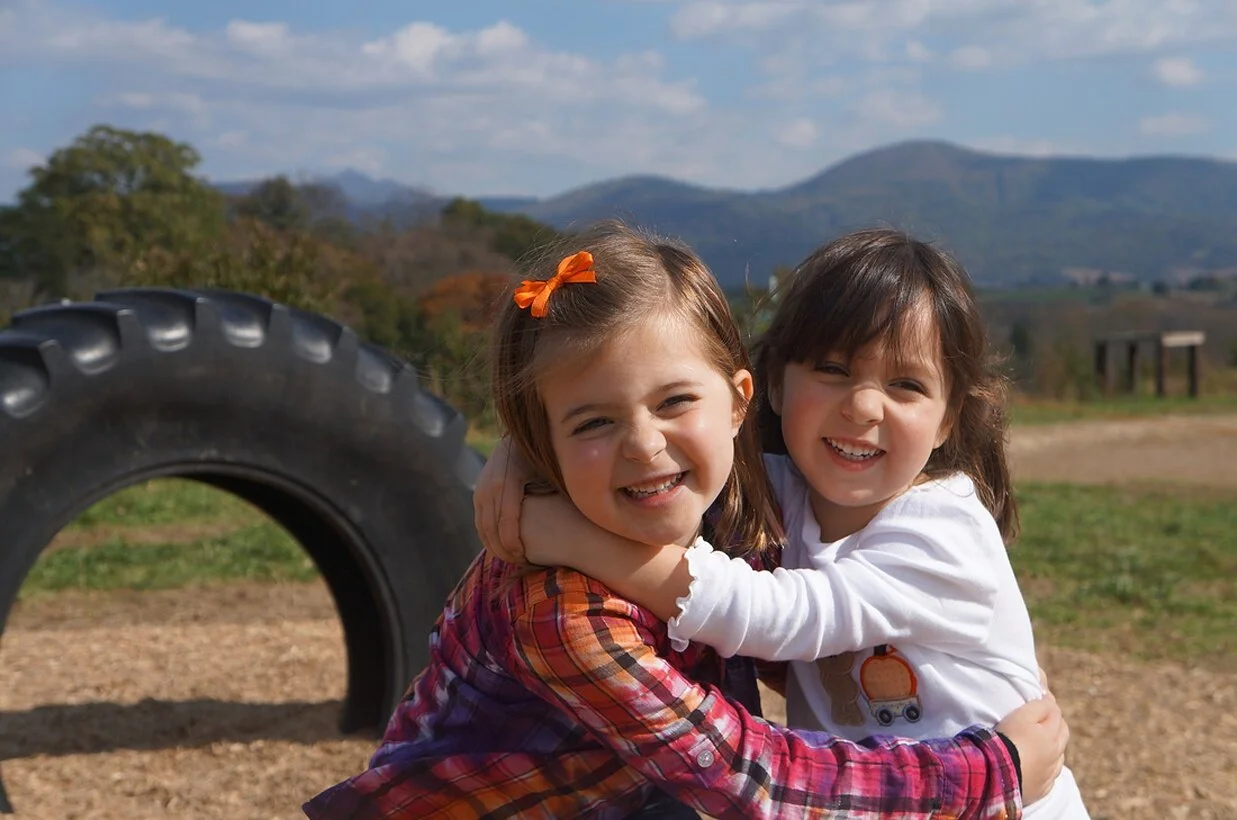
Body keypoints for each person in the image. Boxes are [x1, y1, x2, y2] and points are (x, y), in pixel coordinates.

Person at [305, 221, 1068, 819]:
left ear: (738, 399)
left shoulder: (923, 528)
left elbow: (780, 617)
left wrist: (558, 503)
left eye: (674, 403)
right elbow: (752, 786)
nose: (644, 447)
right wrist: (525, 453)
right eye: (592, 423)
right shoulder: (561, 613)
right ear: (772, 386)